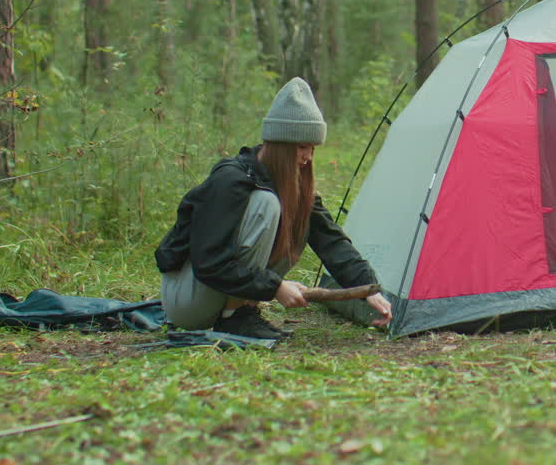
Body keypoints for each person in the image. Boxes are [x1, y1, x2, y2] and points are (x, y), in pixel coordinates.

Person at [154, 77, 393, 340]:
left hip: (214, 294)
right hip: (187, 299)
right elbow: (210, 263)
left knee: (300, 213)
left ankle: (240, 314)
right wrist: (275, 286)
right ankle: (234, 318)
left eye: (313, 148)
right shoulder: (230, 182)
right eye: (302, 147)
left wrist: (368, 288)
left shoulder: (294, 186)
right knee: (267, 203)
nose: (308, 157)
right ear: (281, 144)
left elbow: (331, 241)